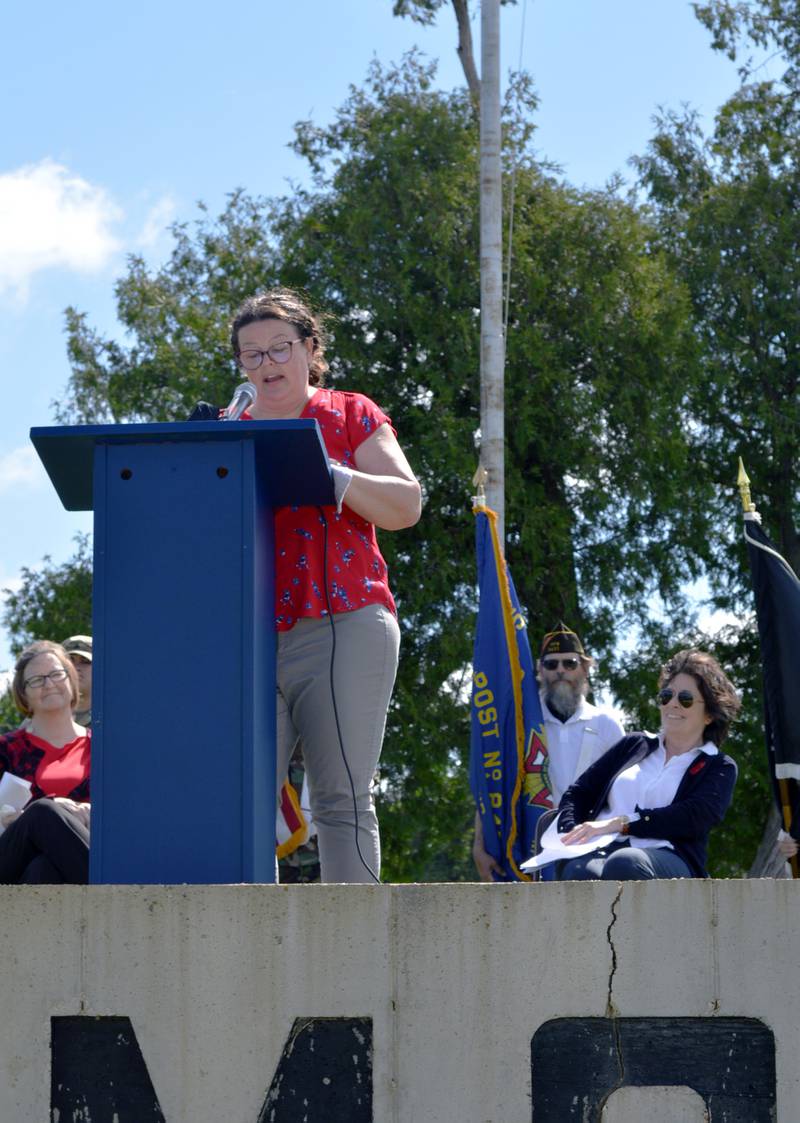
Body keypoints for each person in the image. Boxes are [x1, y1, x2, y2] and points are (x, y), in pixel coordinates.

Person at [229, 288, 421, 883]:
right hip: (249, 636)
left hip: (345, 623)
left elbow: (405, 505)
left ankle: (357, 953)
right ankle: (238, 949)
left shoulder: (349, 413)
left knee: (339, 794)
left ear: (310, 349)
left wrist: (332, 475)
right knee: (238, 800)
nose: (267, 365)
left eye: (280, 349)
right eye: (251, 355)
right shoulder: (227, 431)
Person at [554, 649, 740, 881]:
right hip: (601, 847)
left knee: (626, 864)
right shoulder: (634, 744)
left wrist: (621, 824)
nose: (672, 704)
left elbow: (691, 817)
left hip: (668, 855)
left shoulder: (718, 766)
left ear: (709, 714)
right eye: (666, 696)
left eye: (685, 699)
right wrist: (571, 831)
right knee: (579, 871)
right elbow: (579, 792)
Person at [473, 622, 624, 881]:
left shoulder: (607, 725)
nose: (561, 671)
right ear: (540, 671)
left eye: (570, 663)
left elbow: (627, 793)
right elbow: (493, 783)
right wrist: (479, 845)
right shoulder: (522, 726)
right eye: (552, 665)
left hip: (592, 850)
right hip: (531, 847)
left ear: (585, 668)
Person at [0, 641, 91, 884]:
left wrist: (89, 812)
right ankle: (117, 895)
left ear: (71, 681)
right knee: (43, 812)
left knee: (43, 869)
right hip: (9, 858)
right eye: (37, 680)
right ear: (24, 695)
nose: (49, 684)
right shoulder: (5, 749)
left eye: (56, 674)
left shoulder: (103, 749)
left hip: (55, 869)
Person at [62, 635, 92, 726]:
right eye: (70, 660)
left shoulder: (114, 714)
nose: (76, 668)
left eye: (85, 661)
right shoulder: (44, 716)